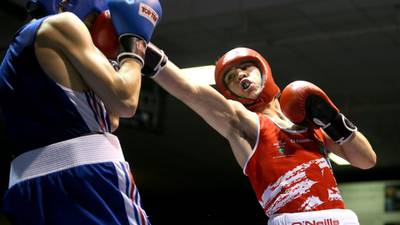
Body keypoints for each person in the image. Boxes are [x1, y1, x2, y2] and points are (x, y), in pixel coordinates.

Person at [141, 45, 377, 224]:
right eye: (231, 77)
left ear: (263, 69)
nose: (240, 76)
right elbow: (190, 91)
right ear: (230, 93)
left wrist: (333, 120)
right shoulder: (243, 124)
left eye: (245, 68)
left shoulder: (309, 121)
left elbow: (366, 161)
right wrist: (142, 49)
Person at [0, 0, 162, 224]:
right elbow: (125, 101)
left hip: (25, 189)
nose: (98, 27)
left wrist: (111, 59)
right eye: (95, 19)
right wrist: (136, 45)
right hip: (86, 178)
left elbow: (108, 119)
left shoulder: (18, 51)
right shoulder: (64, 24)